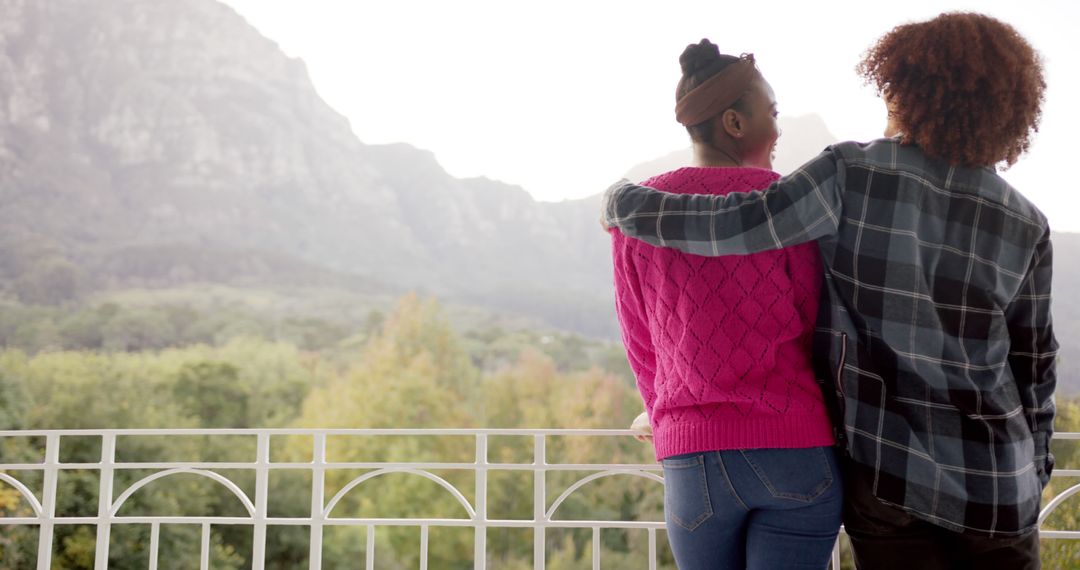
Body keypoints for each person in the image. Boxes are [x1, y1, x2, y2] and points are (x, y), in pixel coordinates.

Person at [602, 12, 1055, 570]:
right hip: (998, 485)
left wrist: (626, 206)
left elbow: (737, 224)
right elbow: (1035, 371)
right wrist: (1034, 474)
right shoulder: (1026, 221)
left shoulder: (852, 173)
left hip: (891, 482)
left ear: (905, 88)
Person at [611, 39, 841, 569]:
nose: (779, 128)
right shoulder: (785, 205)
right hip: (795, 449)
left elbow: (640, 339)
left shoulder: (640, 213)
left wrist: (666, 421)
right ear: (735, 123)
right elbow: (818, 327)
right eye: (773, 113)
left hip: (694, 459)